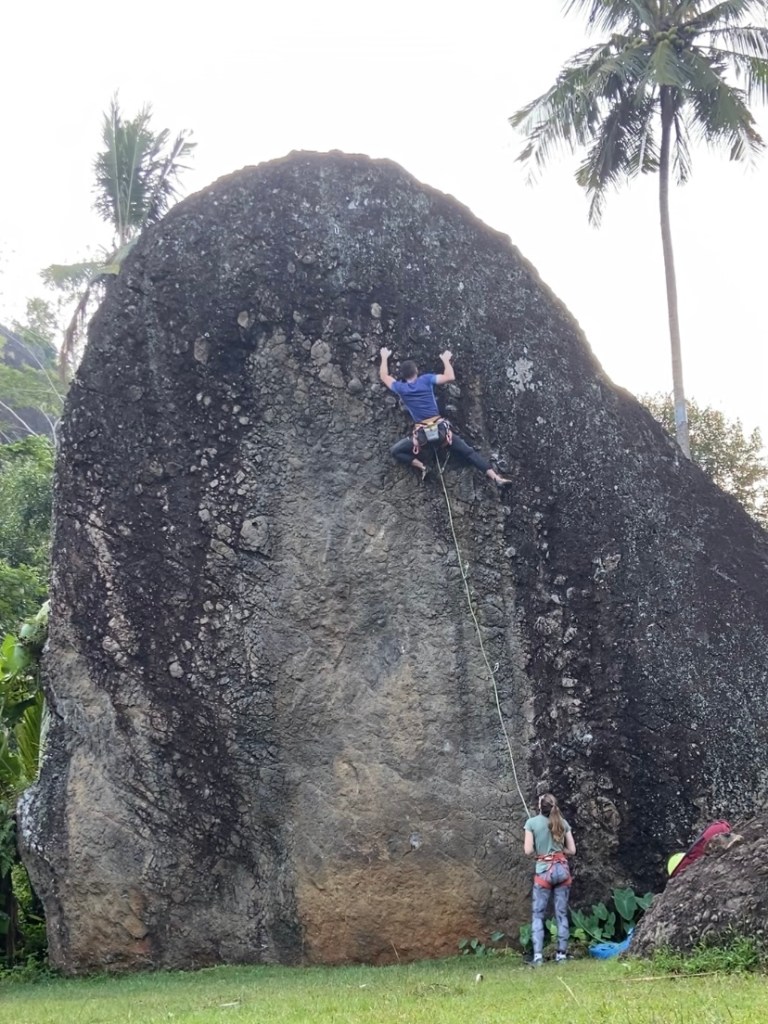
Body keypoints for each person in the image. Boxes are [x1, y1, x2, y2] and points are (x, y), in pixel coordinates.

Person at [379, 347, 512, 485]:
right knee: (469, 452)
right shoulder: (425, 380)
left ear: (403, 376)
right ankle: (496, 478)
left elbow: (384, 376)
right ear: (416, 371)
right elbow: (450, 377)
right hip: (442, 433)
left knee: (396, 451)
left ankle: (423, 466)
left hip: (422, 438)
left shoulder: (401, 388)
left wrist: (384, 357)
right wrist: (446, 360)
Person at [523, 792, 576, 967]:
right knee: (561, 914)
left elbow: (528, 851)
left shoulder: (531, 823)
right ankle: (561, 955)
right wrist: (558, 852)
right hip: (562, 869)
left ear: (540, 806)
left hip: (544, 871)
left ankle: (538, 956)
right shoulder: (563, 822)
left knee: (538, 914)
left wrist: (541, 851)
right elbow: (572, 850)